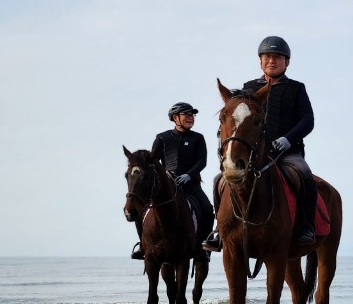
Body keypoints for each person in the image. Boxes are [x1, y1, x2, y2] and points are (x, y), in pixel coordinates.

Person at [203, 35, 316, 253]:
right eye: (267, 57)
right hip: (255, 152)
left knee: (305, 174)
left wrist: (287, 139)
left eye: (277, 57)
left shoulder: (296, 88)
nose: (272, 61)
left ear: (287, 62)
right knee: (219, 179)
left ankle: (305, 227)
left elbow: (307, 120)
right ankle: (219, 229)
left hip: (288, 152)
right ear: (260, 61)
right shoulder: (249, 87)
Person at [131, 103, 213, 261]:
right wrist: (166, 174)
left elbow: (202, 161)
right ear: (176, 118)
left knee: (208, 209)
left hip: (191, 185)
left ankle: (201, 245)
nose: (191, 118)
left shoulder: (198, 138)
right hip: (168, 185)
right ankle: (143, 246)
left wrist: (189, 175)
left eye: (192, 115)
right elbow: (152, 161)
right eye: (187, 115)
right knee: (141, 210)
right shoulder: (162, 138)